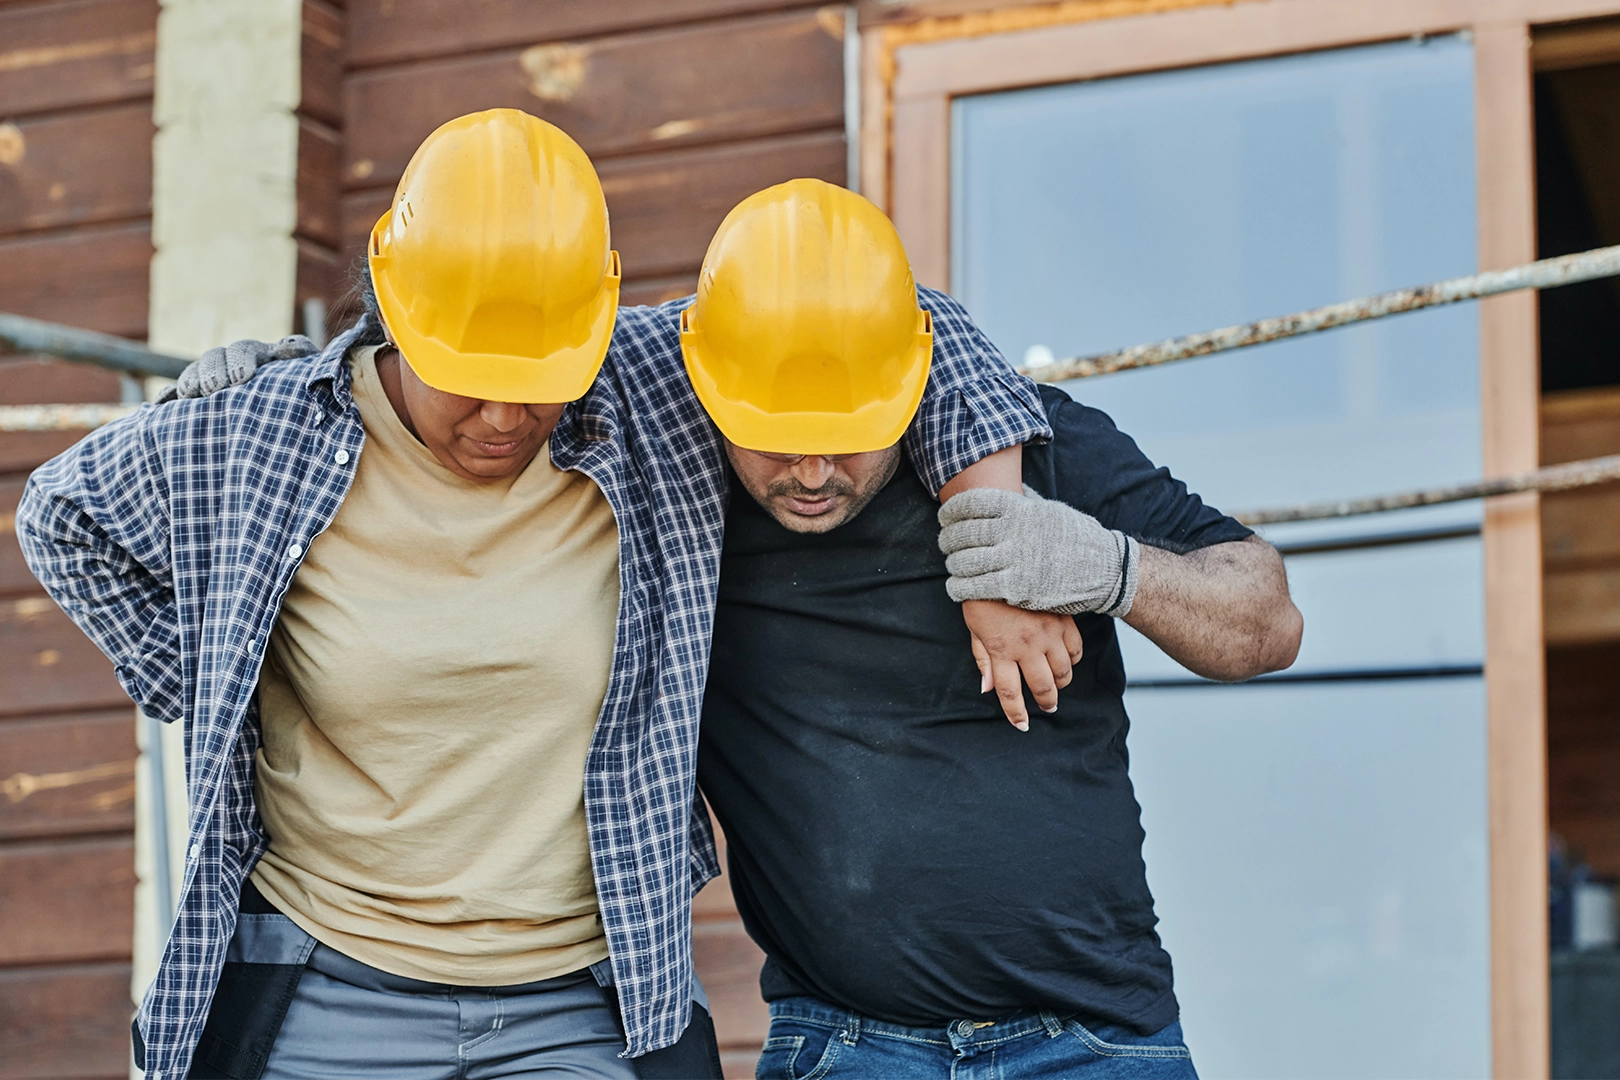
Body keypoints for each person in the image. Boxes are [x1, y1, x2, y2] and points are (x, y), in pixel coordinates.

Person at [16, 114, 1051, 1080]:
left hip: (581, 1003)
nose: (506, 413)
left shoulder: (643, 388)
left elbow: (916, 324)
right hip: (327, 991)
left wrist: (997, 553)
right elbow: (61, 514)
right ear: (395, 312)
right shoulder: (266, 432)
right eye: (465, 373)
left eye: (541, 374)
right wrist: (218, 684)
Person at [683, 182, 1304, 1077]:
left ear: (908, 377)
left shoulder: (1041, 448)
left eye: (849, 431)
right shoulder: (689, 510)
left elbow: (1268, 623)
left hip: (1093, 1040)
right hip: (847, 1043)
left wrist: (1110, 568)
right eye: (776, 437)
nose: (812, 470)